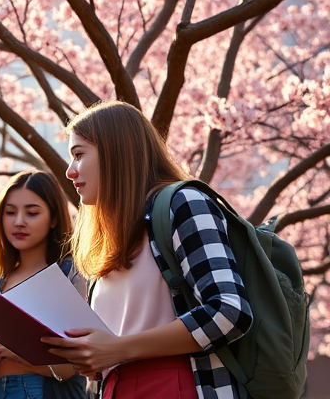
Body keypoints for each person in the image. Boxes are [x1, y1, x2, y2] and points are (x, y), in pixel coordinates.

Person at [42, 100, 252, 399]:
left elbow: (229, 311)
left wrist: (117, 348)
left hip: (177, 385)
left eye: (78, 155)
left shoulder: (183, 203)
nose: (69, 171)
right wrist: (93, 356)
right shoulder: (110, 238)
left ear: (116, 152)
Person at [0, 170, 82, 399]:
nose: (19, 222)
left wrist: (23, 354)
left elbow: (78, 362)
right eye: (10, 212)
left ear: (54, 218)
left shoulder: (71, 275)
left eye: (32, 213)